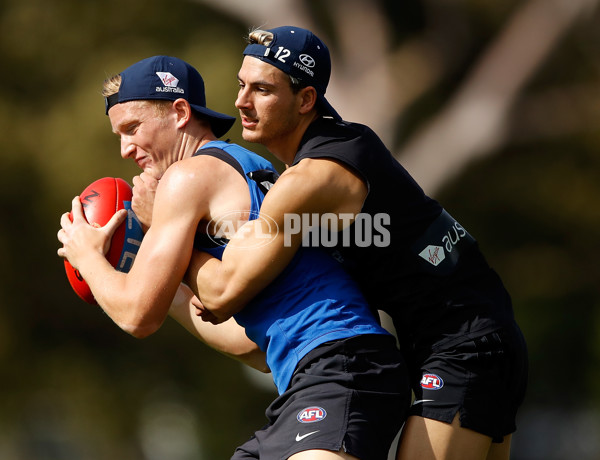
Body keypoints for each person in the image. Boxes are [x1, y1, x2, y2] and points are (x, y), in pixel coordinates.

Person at [184, 27, 529, 460]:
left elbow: (223, 294)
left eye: (262, 90)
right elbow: (252, 337)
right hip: (481, 337)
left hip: (463, 346)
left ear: (306, 99)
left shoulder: (313, 179)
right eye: (241, 84)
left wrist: (168, 236)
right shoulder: (344, 146)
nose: (241, 102)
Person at [57, 55, 411, 460]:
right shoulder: (245, 165)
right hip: (322, 372)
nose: (124, 149)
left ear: (179, 112)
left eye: (132, 128)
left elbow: (137, 316)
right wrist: (159, 280)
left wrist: (88, 257)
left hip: (341, 367)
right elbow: (252, 347)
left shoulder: (187, 177)